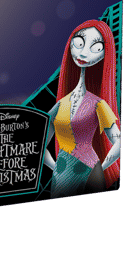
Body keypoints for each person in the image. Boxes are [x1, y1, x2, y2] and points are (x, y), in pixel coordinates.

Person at [44, 19, 121, 198]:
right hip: (61, 175)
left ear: (104, 55)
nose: (84, 52)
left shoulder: (98, 104)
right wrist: (56, 168)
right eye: (79, 43)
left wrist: (101, 167)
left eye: (96, 48)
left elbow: (118, 141)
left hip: (90, 171)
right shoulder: (60, 104)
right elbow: (39, 144)